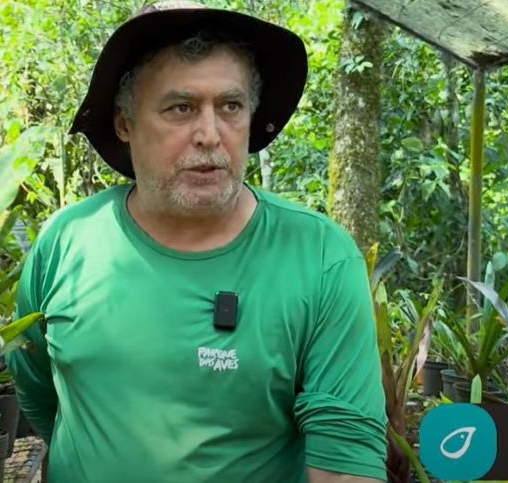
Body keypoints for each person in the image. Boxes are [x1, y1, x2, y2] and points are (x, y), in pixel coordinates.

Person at [7, 2, 387, 482]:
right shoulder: (67, 240)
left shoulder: (319, 256)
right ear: (125, 123)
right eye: (180, 108)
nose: (210, 134)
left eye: (230, 106)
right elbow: (40, 392)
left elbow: (345, 460)